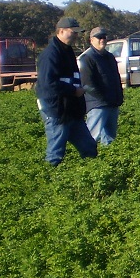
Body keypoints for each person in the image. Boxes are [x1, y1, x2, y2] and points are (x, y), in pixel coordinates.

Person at [35, 16, 97, 166]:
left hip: (72, 110)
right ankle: (50, 178)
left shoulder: (67, 51)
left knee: (89, 148)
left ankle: (90, 177)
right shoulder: (50, 54)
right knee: (56, 152)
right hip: (57, 110)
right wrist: (73, 91)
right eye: (73, 32)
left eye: (77, 32)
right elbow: (49, 84)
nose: (76, 35)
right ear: (61, 31)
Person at [79, 26, 124, 145]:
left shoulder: (109, 57)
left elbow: (116, 78)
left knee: (110, 137)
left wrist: (118, 97)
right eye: (99, 37)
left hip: (112, 103)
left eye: (104, 37)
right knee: (92, 136)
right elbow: (87, 84)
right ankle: (87, 158)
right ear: (91, 40)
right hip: (97, 104)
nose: (102, 40)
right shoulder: (86, 58)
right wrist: (103, 98)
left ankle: (108, 159)